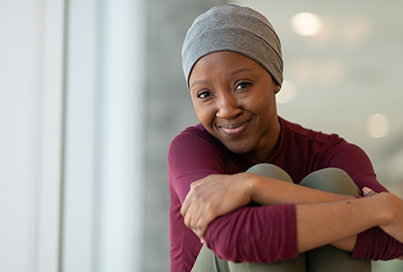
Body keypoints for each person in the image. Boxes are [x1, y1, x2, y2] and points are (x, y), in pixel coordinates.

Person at [168, 4, 403, 272]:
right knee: (269, 176)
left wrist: (253, 186)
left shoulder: (332, 154)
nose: (226, 109)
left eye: (242, 85)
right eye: (204, 94)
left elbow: (398, 238)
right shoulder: (190, 149)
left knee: (331, 180)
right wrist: (380, 209)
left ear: (275, 78)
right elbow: (232, 237)